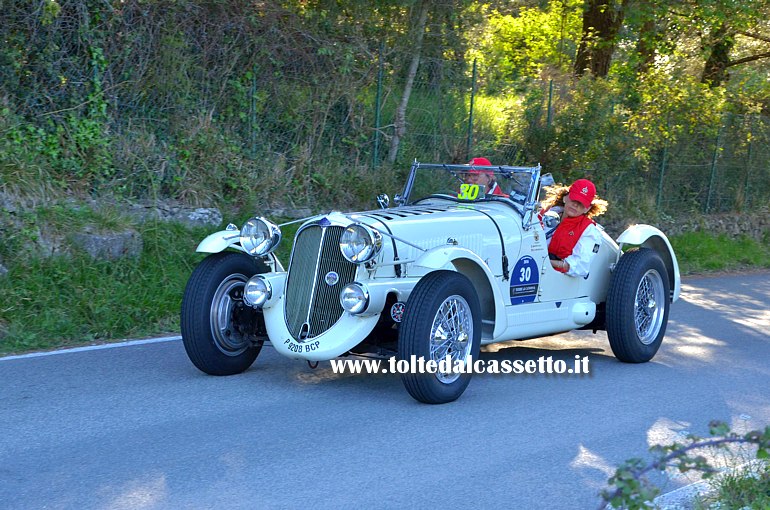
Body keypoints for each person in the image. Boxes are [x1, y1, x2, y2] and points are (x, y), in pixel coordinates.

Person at [540, 178, 608, 278]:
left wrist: (544, 261)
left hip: (557, 279)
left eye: (581, 203)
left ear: (587, 209)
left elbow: (580, 267)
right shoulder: (547, 212)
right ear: (565, 198)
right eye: (574, 199)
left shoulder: (589, 231)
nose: (575, 205)